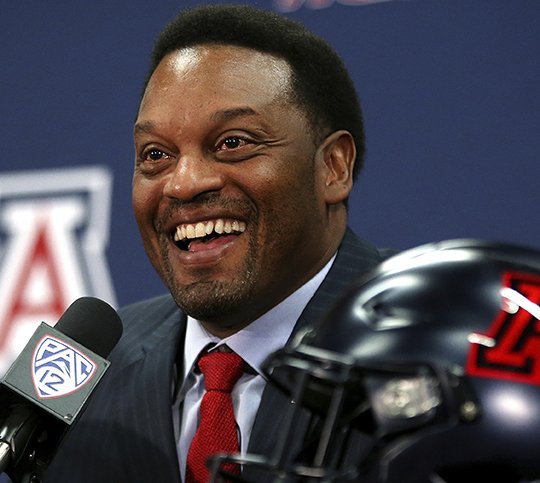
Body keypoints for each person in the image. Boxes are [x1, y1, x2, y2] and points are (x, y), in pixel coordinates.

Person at [44, 4, 391, 482]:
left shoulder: (449, 340)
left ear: (332, 166)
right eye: (156, 154)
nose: (183, 184)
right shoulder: (86, 376)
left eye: (233, 142)